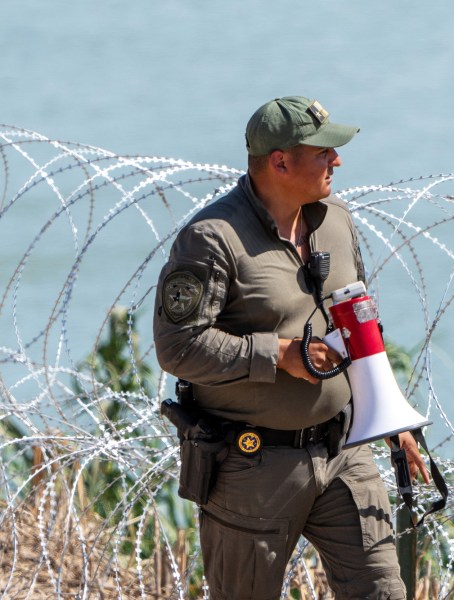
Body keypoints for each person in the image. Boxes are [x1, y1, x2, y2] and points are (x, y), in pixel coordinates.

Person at [153, 95, 428, 599]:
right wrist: (279, 355)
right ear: (280, 161)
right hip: (253, 466)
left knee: (385, 593)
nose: (336, 160)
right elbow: (178, 345)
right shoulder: (212, 240)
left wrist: (390, 415)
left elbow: (361, 323)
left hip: (345, 452)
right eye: (323, 151)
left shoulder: (337, 220)